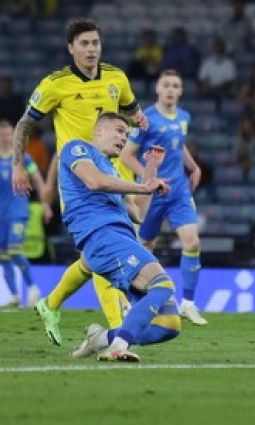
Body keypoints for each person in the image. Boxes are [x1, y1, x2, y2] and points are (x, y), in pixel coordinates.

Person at [11, 18, 148, 345]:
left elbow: (133, 114)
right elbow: (24, 124)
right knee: (105, 242)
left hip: (111, 171)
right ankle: (119, 331)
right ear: (71, 48)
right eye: (84, 44)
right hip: (80, 176)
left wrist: (138, 120)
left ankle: (50, 303)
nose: (91, 49)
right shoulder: (55, 84)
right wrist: (18, 164)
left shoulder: (116, 78)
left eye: (95, 43)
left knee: (100, 250)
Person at [60, 112, 179, 361]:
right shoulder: (77, 148)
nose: (124, 138)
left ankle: (101, 339)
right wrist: (142, 186)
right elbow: (94, 181)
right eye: (119, 131)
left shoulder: (114, 174)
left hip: (121, 240)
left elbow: (139, 214)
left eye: (127, 134)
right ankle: (118, 347)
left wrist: (150, 169)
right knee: (163, 284)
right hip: (101, 236)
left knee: (167, 325)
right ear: (99, 131)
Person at [120, 70, 207, 326]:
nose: (170, 89)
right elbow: (126, 155)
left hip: (178, 190)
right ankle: (134, 302)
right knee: (145, 247)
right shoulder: (146, 119)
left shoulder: (184, 117)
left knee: (192, 242)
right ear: (158, 89)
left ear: (180, 91)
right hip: (153, 194)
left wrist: (193, 167)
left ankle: (188, 304)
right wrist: (148, 180)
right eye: (166, 85)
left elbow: (177, 145)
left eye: (175, 86)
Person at [0, 120, 51, 307]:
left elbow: (38, 179)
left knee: (14, 250)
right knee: (3, 255)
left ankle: (32, 287)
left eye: (8, 134)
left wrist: (45, 204)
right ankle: (14, 295)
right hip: (1, 215)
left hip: (18, 212)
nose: (6, 138)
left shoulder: (23, 158)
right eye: (2, 135)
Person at [196, 37, 237, 107]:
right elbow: (201, 78)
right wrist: (205, 87)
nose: (218, 50)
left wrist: (215, 88)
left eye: (220, 48)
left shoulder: (229, 63)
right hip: (209, 90)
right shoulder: (207, 62)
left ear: (224, 49)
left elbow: (230, 81)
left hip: (224, 90)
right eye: (216, 47)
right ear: (213, 49)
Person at [127, 28, 163, 93]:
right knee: (133, 66)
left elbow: (158, 62)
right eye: (146, 39)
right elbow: (138, 61)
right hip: (143, 70)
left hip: (155, 71)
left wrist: (147, 60)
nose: (148, 41)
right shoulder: (140, 49)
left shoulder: (158, 49)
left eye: (150, 39)